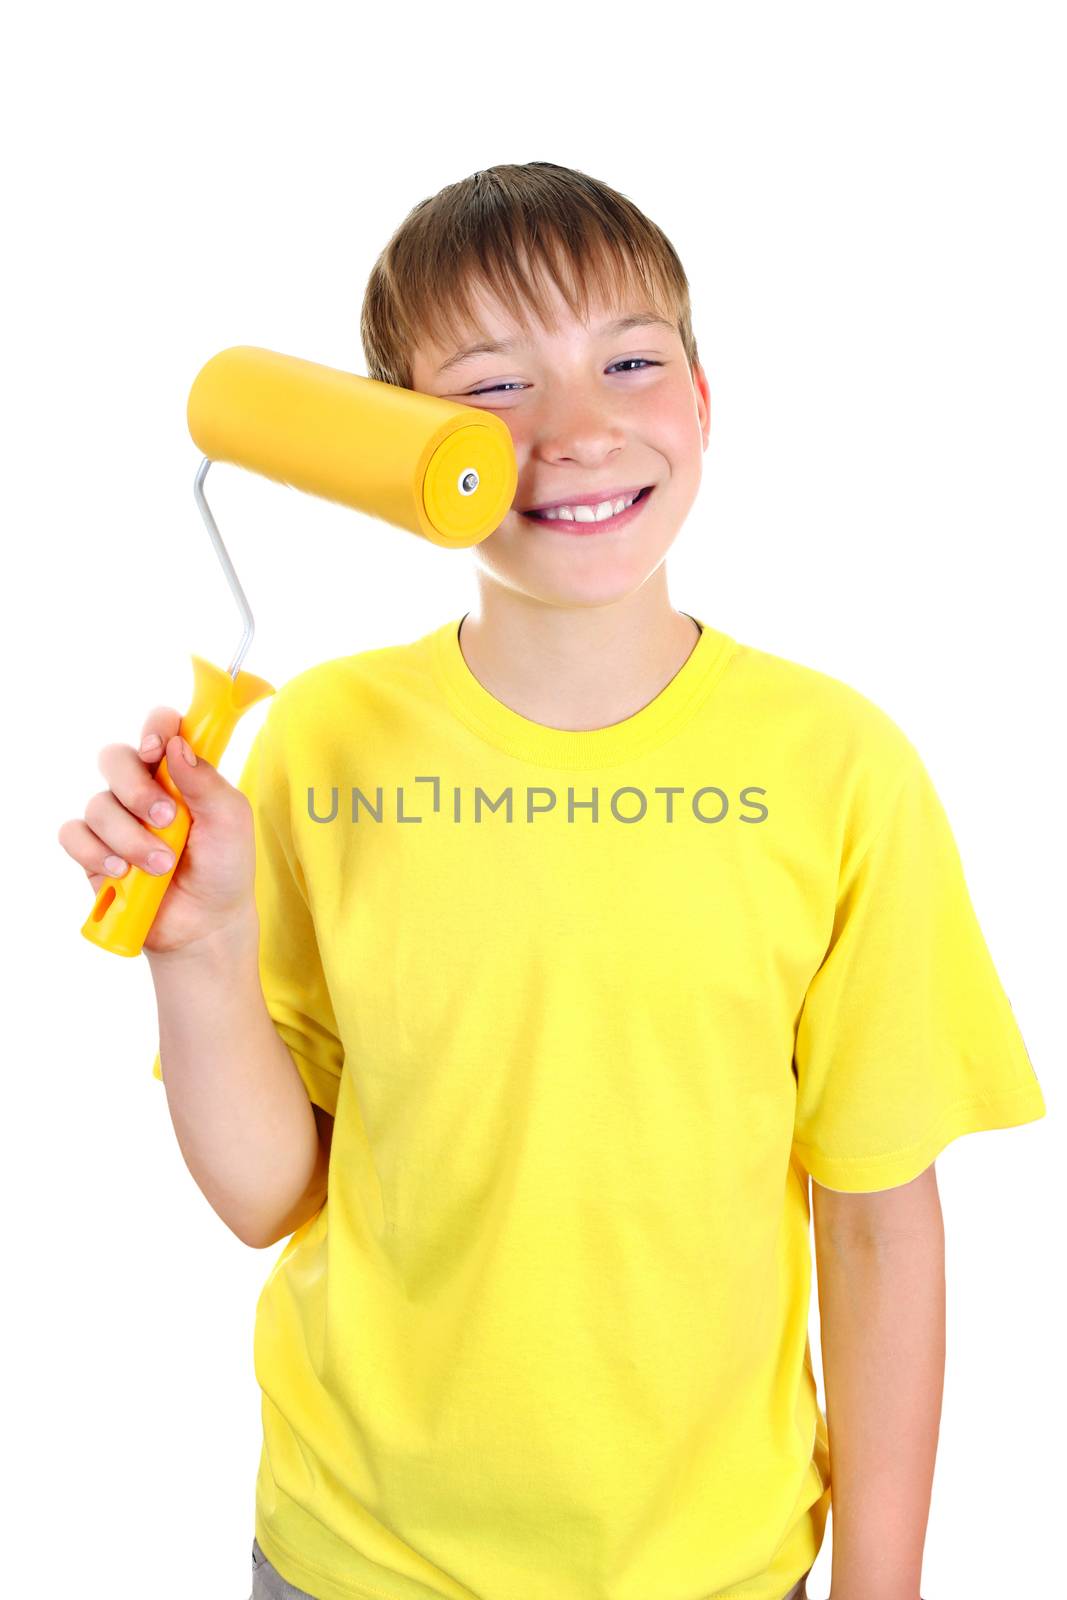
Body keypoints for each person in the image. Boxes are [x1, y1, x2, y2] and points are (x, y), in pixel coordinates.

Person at [59, 162, 1046, 1600]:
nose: (578, 433)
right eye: (496, 388)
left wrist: (882, 1579)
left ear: (702, 406)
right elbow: (271, 1193)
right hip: (356, 1554)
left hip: (712, 1565)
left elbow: (878, 1213)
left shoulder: (840, 769)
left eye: (629, 362)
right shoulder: (322, 741)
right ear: (400, 456)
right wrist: (198, 948)